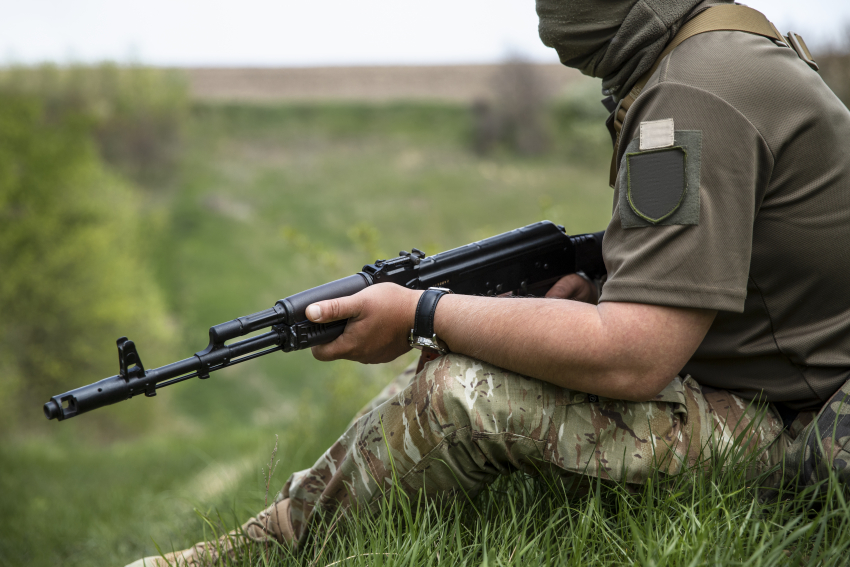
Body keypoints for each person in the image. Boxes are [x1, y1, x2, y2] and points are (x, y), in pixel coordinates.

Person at [129, 0, 850, 565]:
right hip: (798, 382)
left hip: (808, 424)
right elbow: (747, 273)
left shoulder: (694, 93)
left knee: (460, 394)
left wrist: (423, 311)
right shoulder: (724, 48)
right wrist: (590, 298)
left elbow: (636, 354)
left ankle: (269, 547)